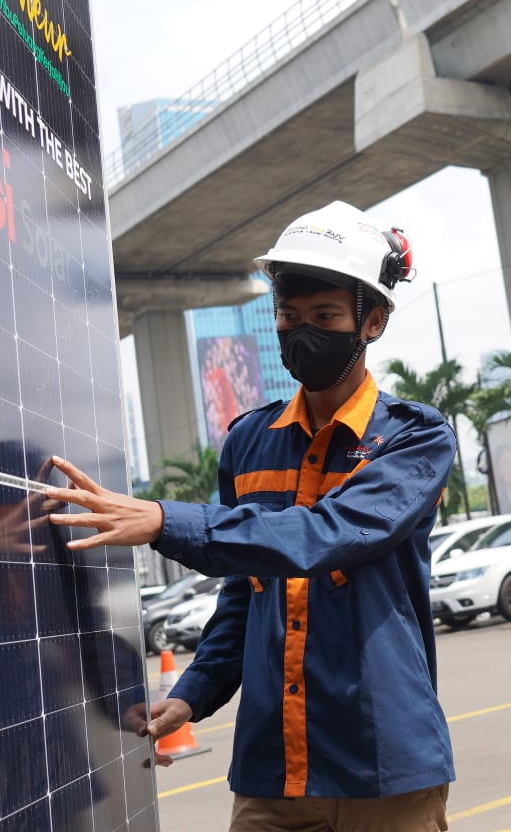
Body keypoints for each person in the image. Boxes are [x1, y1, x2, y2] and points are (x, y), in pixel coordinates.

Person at [46, 200, 457, 832]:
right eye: (288, 317)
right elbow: (245, 596)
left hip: (383, 766)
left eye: (324, 317)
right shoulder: (250, 440)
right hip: (272, 770)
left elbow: (327, 535)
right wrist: (192, 694)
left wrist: (165, 521)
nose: (302, 333)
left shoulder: (414, 439)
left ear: (372, 321)